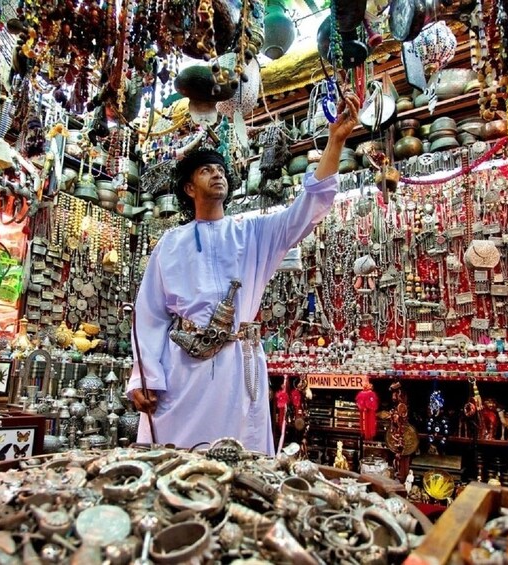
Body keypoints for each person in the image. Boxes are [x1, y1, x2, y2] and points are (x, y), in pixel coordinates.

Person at [127, 92, 360, 454]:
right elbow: (150, 317)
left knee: (236, 460)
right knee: (174, 459)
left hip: (237, 366)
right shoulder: (170, 244)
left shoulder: (252, 232)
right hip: (183, 371)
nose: (216, 174)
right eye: (206, 170)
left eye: (220, 170)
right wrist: (144, 378)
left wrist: (335, 142)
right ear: (189, 188)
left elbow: (308, 208)